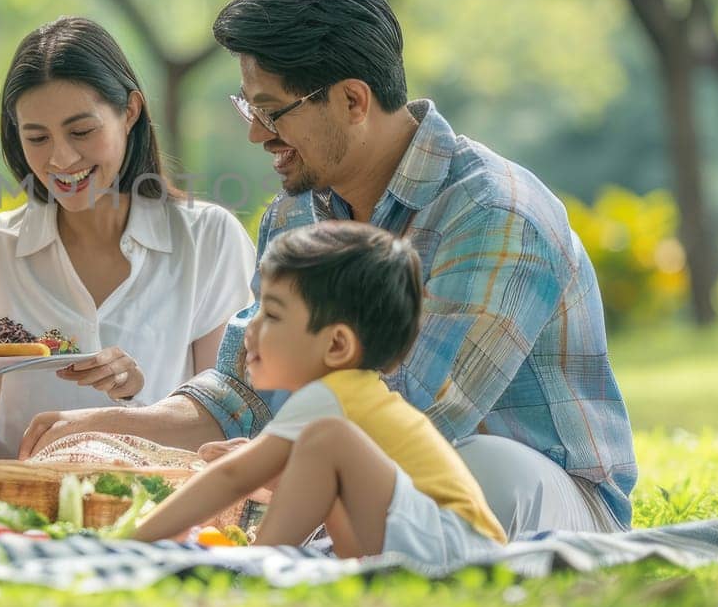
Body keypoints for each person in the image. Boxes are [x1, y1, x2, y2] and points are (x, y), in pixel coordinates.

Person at [21, 0, 637, 536]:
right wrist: (112, 426)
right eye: (249, 107)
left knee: (485, 465)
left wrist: (277, 459)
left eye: (271, 111)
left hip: (536, 496)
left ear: (351, 100)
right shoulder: (296, 215)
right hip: (369, 494)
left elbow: (422, 415)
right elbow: (245, 389)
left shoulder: (494, 213)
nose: (256, 134)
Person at [0, 16, 255, 459]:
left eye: (81, 131)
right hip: (9, 516)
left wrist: (133, 400)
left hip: (155, 518)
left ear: (129, 112)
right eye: (37, 137)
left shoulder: (209, 241)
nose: (61, 158)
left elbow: (227, 426)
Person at [133, 221, 506, 560]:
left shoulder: (328, 395)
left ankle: (252, 570)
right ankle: (261, 563)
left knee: (328, 438)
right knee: (320, 450)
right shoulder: (349, 396)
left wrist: (131, 544)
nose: (251, 327)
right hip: (432, 547)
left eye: (273, 314)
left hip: (458, 547)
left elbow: (232, 477)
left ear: (336, 346)